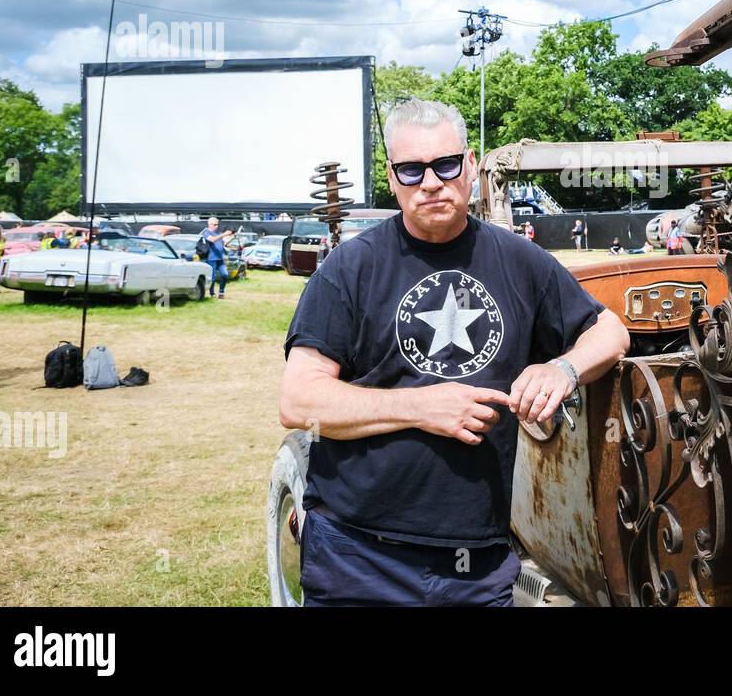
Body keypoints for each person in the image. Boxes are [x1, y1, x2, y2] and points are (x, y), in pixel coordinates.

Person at [279, 99, 630, 606]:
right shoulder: (349, 269)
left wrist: (563, 368)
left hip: (478, 564)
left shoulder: (520, 259)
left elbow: (611, 331)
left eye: (445, 164)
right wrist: (422, 407)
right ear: (393, 177)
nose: (431, 182)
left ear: (470, 165)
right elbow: (299, 401)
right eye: (411, 169)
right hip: (358, 557)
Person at [199, 217, 236, 299]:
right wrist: (224, 234)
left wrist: (231, 237)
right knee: (212, 278)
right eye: (215, 224)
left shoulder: (218, 233)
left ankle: (221, 292)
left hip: (220, 258)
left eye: (218, 224)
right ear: (210, 224)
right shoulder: (206, 233)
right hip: (211, 258)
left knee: (225, 274)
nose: (217, 226)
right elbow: (212, 240)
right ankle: (212, 293)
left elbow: (224, 242)